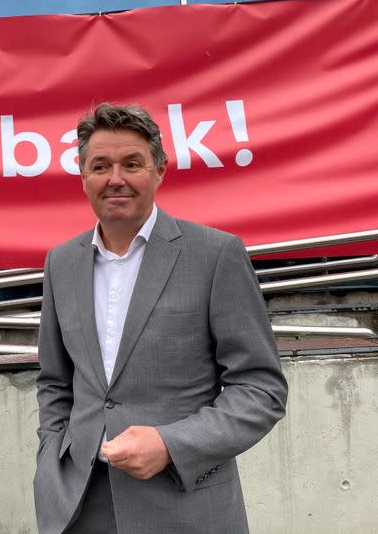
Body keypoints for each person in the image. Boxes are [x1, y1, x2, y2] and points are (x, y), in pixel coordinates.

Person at [34, 103, 288, 534]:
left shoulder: (214, 255)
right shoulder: (61, 262)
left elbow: (260, 389)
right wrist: (51, 457)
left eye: (132, 163)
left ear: (160, 171)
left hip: (184, 506)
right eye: (101, 166)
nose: (116, 178)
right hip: (77, 507)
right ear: (83, 176)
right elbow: (55, 382)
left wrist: (171, 444)